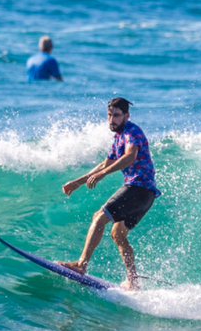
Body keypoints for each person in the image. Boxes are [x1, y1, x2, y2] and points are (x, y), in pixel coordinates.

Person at [59, 97, 159, 289]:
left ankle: (81, 265)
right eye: (109, 115)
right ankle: (133, 280)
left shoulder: (132, 132)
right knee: (118, 234)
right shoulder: (119, 137)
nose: (112, 120)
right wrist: (78, 182)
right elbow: (105, 164)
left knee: (99, 217)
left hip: (138, 188)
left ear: (126, 116)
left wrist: (103, 174)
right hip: (146, 195)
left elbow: (130, 156)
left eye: (117, 115)